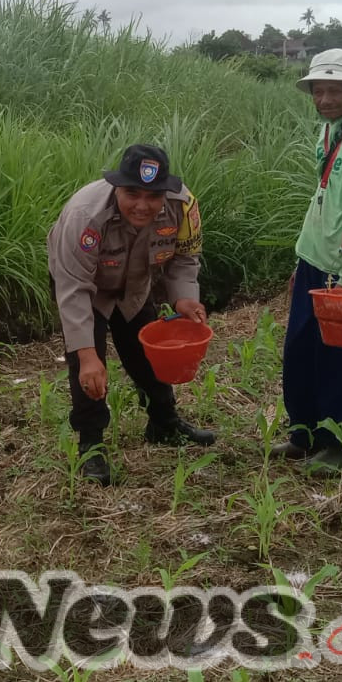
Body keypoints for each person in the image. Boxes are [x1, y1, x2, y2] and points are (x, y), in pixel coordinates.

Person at [47, 144, 216, 485]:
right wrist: (87, 353)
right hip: (84, 290)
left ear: (165, 191)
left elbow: (184, 258)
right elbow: (74, 288)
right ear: (116, 188)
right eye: (132, 193)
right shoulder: (85, 215)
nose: (142, 205)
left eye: (153, 196)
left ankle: (164, 424)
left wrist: (183, 299)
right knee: (88, 369)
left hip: (135, 287)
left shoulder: (183, 208)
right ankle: (91, 446)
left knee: (149, 357)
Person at [271, 49, 342, 474]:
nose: (324, 98)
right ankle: (303, 434)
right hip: (313, 259)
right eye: (318, 90)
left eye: (334, 90)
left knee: (341, 357)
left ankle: (340, 445)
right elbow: (323, 199)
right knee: (301, 349)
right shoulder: (328, 129)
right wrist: (302, 258)